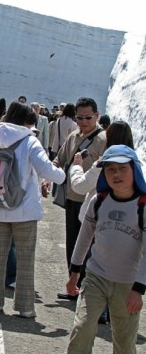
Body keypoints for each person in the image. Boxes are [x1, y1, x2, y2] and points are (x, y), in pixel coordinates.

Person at [51, 145, 146, 354]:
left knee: (124, 342)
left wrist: (139, 290)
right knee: (80, 332)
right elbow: (85, 236)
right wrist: (74, 273)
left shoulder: (142, 205)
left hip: (128, 285)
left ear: (134, 170)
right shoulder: (99, 200)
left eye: (122, 169)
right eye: (111, 169)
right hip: (95, 277)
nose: (116, 174)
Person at [0, 101, 65, 317]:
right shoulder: (29, 141)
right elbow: (45, 169)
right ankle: (25, 307)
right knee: (26, 258)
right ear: (28, 123)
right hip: (24, 209)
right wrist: (63, 175)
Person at [69, 120, 135, 323]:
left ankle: (98, 308)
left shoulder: (104, 163)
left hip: (100, 219)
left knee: (96, 265)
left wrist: (77, 167)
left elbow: (80, 186)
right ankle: (112, 308)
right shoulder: (134, 164)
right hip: (126, 222)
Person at [54, 97, 106, 300]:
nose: (83, 122)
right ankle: (73, 286)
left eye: (88, 117)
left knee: (90, 247)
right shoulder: (74, 135)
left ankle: (89, 290)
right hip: (72, 198)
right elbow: (60, 158)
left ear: (97, 116)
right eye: (79, 118)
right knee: (73, 244)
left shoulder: (103, 140)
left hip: (92, 201)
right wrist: (48, 177)